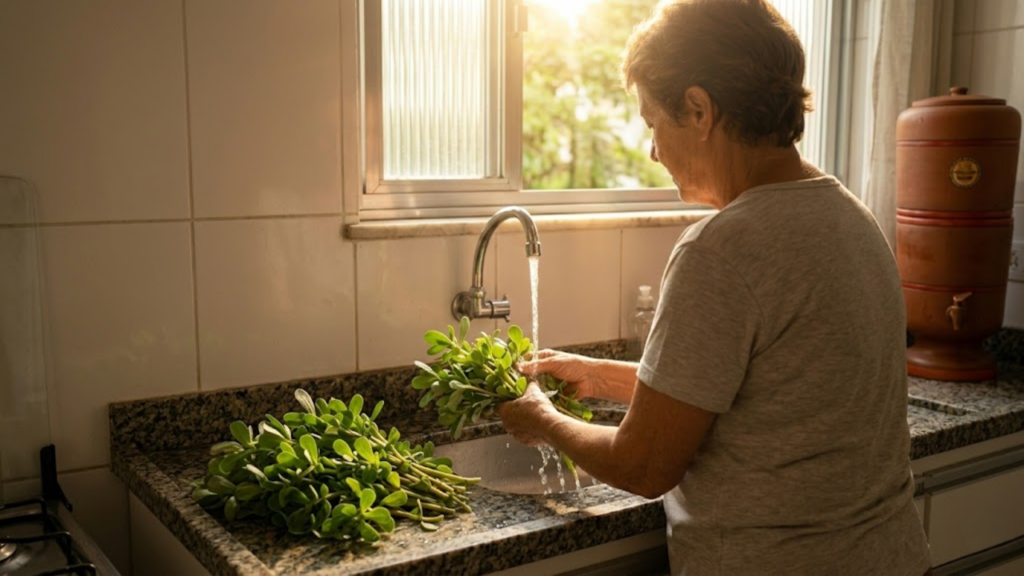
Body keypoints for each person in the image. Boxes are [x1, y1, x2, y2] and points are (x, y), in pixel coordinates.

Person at [496, 0, 932, 574]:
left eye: (653, 122)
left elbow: (645, 465)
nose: (653, 150)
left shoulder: (720, 249)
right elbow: (767, 393)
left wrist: (543, 420)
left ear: (699, 109)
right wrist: (598, 376)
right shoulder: (850, 217)